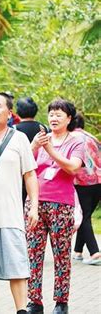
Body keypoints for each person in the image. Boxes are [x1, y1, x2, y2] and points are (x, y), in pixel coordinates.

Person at [0, 92, 39, 314]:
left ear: (9, 113)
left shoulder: (19, 138)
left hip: (10, 216)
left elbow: (30, 175)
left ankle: (21, 310)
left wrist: (34, 206)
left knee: (17, 269)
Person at [27, 99, 85, 314]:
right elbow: (24, 164)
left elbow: (72, 168)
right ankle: (34, 301)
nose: (53, 117)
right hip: (34, 203)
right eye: (51, 113)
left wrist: (49, 149)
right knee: (33, 253)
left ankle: (61, 302)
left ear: (69, 118)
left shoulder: (76, 142)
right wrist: (34, 145)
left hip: (62, 205)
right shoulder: (41, 139)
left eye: (59, 114)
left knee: (61, 255)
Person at [72, 113, 101, 265]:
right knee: (87, 214)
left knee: (83, 216)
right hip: (99, 181)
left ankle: (95, 253)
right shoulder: (91, 137)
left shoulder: (72, 138)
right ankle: (77, 251)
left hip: (82, 182)